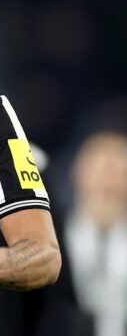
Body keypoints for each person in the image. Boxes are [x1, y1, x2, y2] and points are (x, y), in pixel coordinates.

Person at [64, 131, 127, 336]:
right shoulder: (51, 243)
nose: (109, 184)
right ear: (77, 174)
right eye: (101, 171)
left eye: (120, 173)